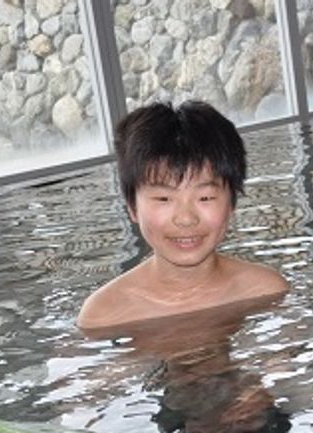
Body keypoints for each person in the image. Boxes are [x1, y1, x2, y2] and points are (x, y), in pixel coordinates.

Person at [77, 100, 288, 330]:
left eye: (205, 198)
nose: (186, 219)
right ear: (132, 207)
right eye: (163, 199)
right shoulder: (103, 316)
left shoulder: (266, 291)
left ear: (232, 204)